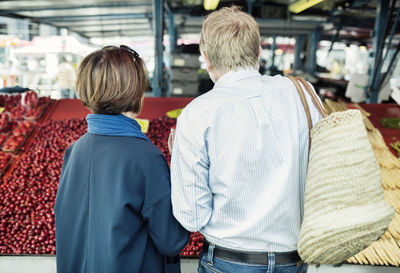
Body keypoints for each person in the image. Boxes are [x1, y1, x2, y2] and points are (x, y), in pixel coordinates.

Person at [169, 6, 322, 273]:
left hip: (228, 262)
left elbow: (192, 216)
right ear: (259, 51)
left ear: (205, 57)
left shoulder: (197, 114)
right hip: (293, 260)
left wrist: (178, 162)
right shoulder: (302, 94)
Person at [54, 46, 190, 273]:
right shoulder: (146, 157)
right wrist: (181, 167)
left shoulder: (74, 151)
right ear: (135, 91)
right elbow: (171, 240)